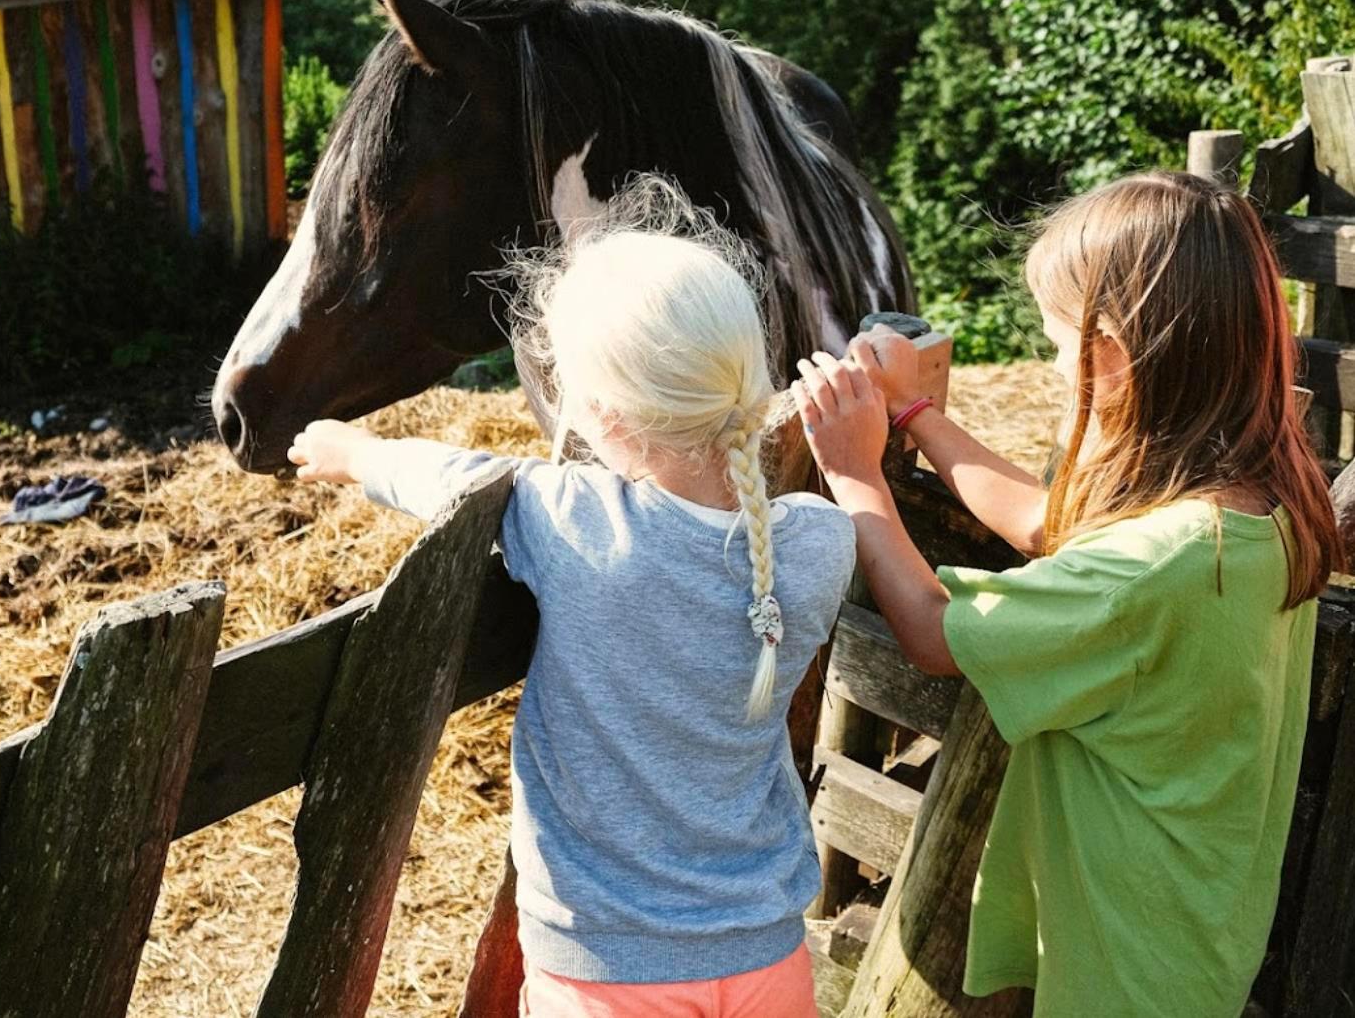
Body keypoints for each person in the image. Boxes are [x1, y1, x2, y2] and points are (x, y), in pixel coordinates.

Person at [290, 177, 853, 1017]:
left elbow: (452, 477)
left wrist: (353, 449)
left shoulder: (576, 522)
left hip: (606, 965)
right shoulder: (815, 542)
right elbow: (840, 526)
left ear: (601, 414)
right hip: (767, 950)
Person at [795, 171, 1340, 1018]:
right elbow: (1055, 526)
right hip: (1191, 936)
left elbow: (938, 634)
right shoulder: (1256, 502)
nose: (1050, 365)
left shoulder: (1157, 566)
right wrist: (912, 415)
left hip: (1123, 971)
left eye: (1056, 343)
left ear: (1114, 359)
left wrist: (855, 476)